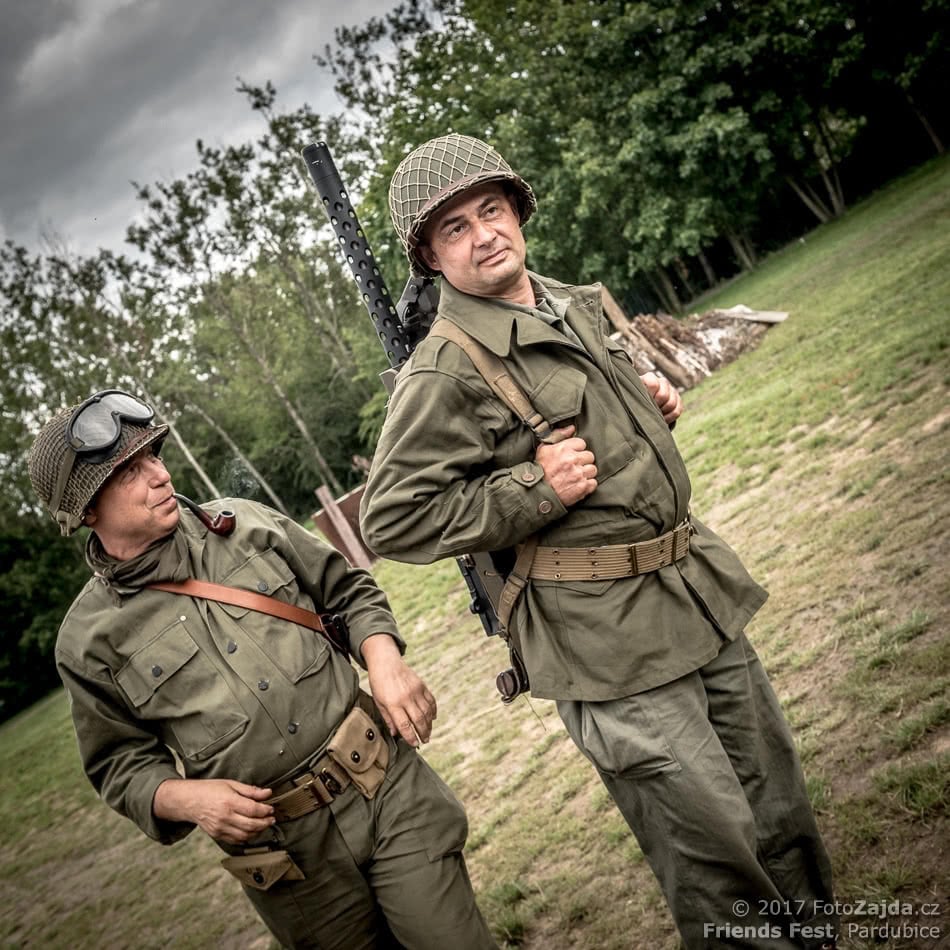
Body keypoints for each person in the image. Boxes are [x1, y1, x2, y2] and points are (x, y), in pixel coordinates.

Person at [359, 134, 838, 949]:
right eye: (454, 228)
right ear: (431, 258)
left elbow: (581, 420)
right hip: (607, 642)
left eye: (491, 210)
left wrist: (648, 405)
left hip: (691, 592)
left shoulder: (565, 303)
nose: (483, 234)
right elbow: (393, 518)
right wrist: (536, 488)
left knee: (779, 810)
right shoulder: (444, 369)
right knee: (715, 856)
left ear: (517, 211)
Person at [28, 388, 497, 950]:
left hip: (383, 784)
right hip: (287, 858)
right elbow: (119, 764)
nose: (159, 475)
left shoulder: (247, 524)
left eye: (153, 455)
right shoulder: (85, 641)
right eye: (129, 472)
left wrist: (384, 660)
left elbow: (347, 592)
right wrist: (187, 799)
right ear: (85, 511)